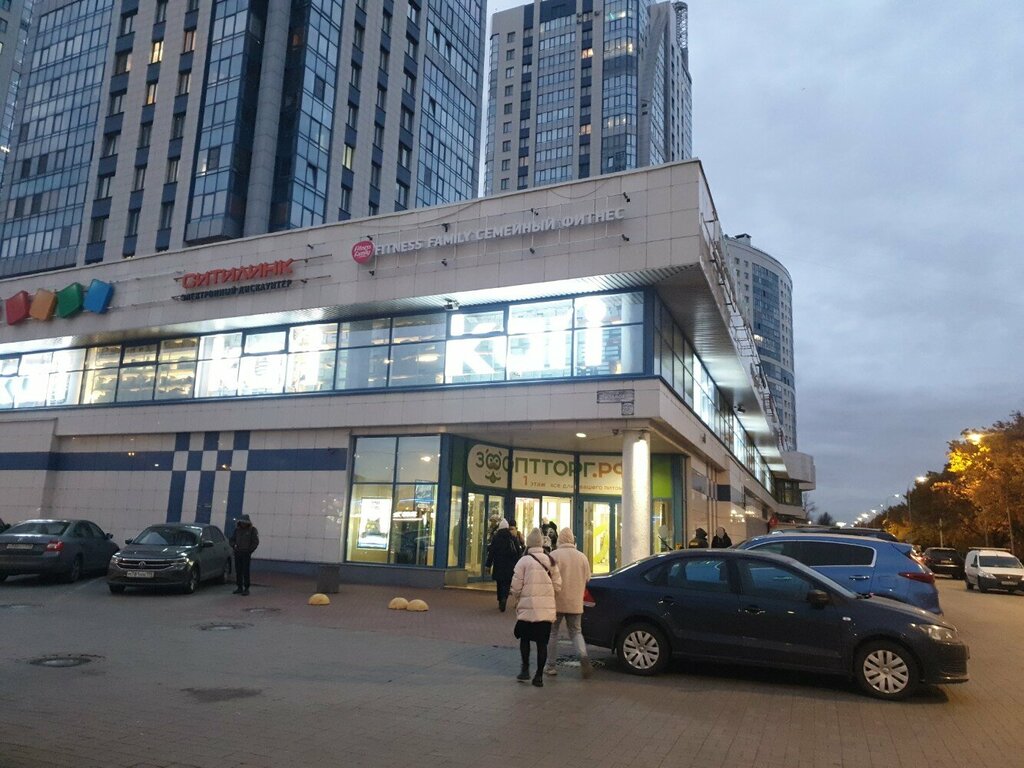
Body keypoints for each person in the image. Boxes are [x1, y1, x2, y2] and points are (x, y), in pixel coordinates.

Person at [509, 528, 562, 687]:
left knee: (524, 639)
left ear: (529, 544)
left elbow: (515, 586)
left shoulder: (523, 561)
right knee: (542, 643)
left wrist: (518, 596)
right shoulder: (550, 560)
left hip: (527, 608)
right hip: (545, 610)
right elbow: (558, 586)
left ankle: (525, 669)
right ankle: (539, 676)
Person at [545, 527, 593, 679]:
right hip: (575, 602)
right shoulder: (582, 557)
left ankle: (551, 666)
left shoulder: (554, 555)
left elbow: (547, 576)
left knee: (553, 632)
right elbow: (588, 578)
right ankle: (583, 655)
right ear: (572, 540)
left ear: (560, 539)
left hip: (556, 601)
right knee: (576, 632)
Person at [484, 519, 523, 612]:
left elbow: (491, 553)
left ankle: (500, 598)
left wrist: (488, 565)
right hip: (510, 565)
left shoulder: (496, 538)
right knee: (507, 583)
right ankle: (505, 597)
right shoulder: (512, 538)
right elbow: (518, 552)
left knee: (500, 583)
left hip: (498, 564)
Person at [230, 514, 259, 595]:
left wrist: (250, 550)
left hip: (246, 553)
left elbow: (255, 542)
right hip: (238, 552)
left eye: (245, 522)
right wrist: (234, 545)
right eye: (242, 522)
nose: (243, 524)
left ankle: (246, 588)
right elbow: (232, 540)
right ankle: (239, 587)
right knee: (238, 570)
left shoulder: (252, 530)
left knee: (245, 571)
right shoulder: (237, 530)